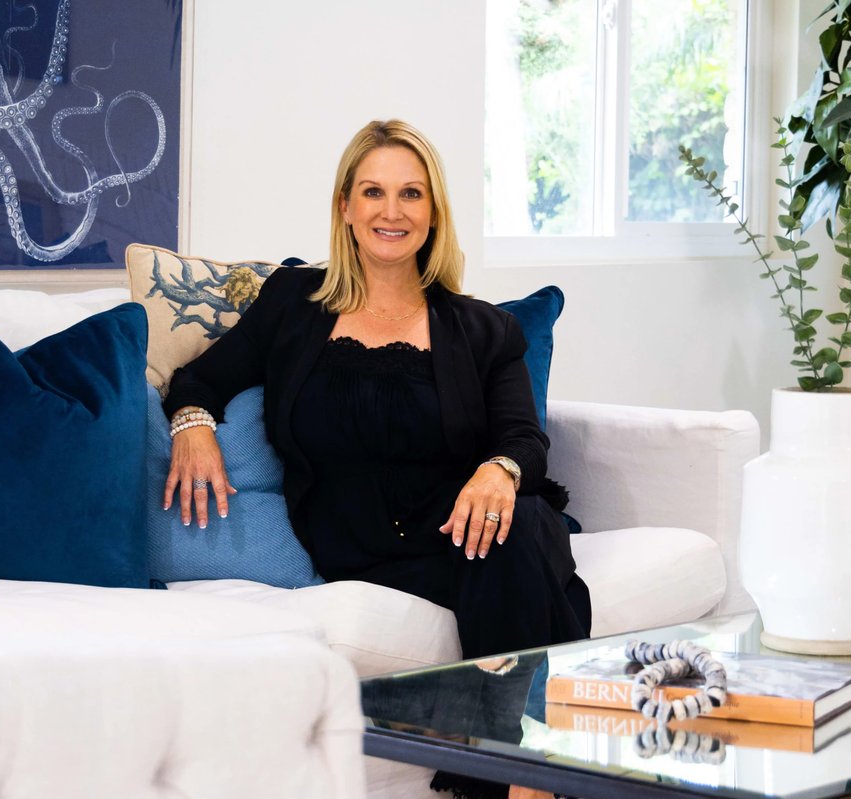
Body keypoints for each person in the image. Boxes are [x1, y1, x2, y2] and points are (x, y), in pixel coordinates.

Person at [162, 119, 590, 799]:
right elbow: (199, 380)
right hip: (355, 546)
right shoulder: (294, 304)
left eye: (412, 194)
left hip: (464, 536)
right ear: (345, 207)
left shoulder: (484, 329)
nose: (392, 211)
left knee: (517, 527)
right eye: (373, 192)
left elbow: (524, 439)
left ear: (434, 212)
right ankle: (545, 771)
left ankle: (517, 786)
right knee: (530, 550)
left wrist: (497, 469)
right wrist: (192, 425)